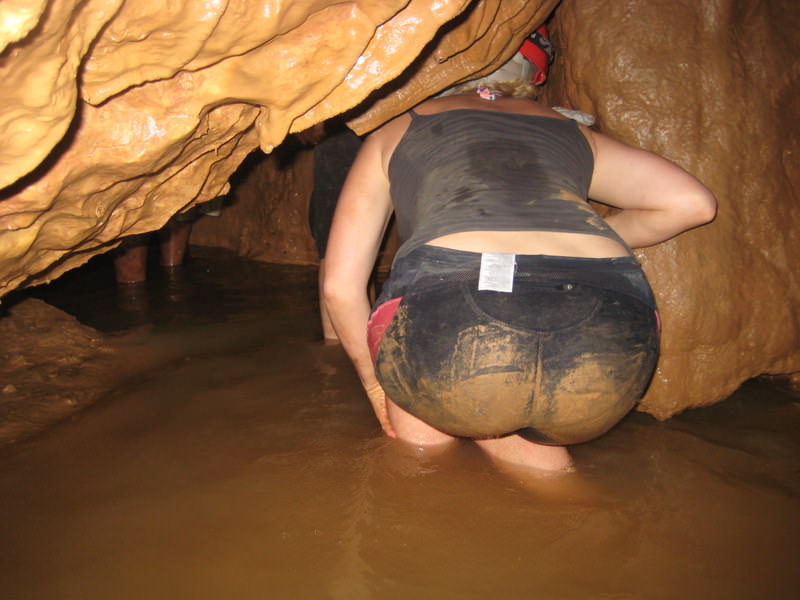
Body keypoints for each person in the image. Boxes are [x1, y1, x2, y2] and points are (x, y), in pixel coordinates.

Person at [322, 53, 717, 473]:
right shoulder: (574, 133)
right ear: (531, 79)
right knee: (538, 460)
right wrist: (581, 238)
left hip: (453, 320)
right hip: (612, 333)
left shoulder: (397, 130)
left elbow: (340, 288)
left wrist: (375, 386)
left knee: (421, 458)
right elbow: (693, 204)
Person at [297, 118, 364, 342]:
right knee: (342, 243)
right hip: (345, 130)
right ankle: (337, 343)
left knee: (342, 245)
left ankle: (338, 343)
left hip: (350, 129)